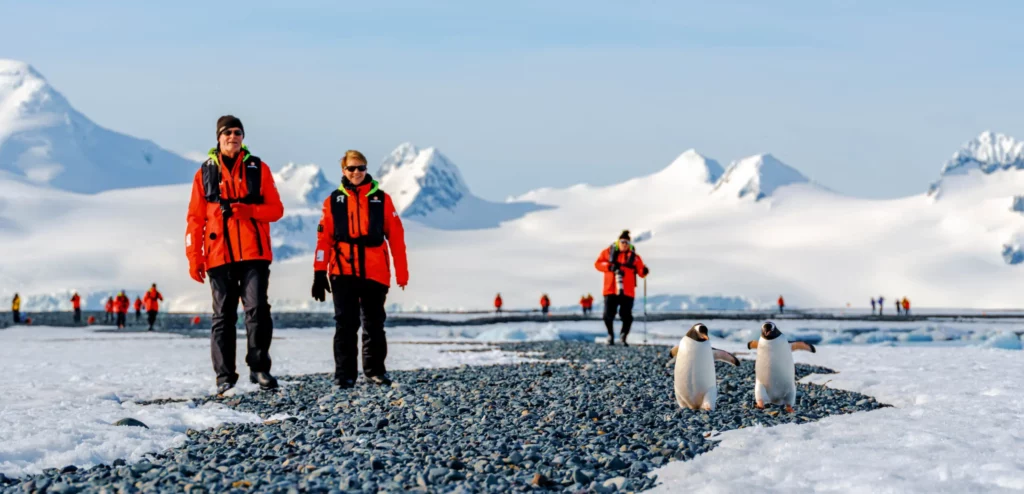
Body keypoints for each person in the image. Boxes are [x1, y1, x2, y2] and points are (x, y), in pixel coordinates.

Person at [186, 115, 284, 394]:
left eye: (237, 132)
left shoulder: (258, 168)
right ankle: (225, 376)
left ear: (243, 137)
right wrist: (194, 256)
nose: (233, 137)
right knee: (223, 317)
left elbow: (276, 210)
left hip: (254, 253)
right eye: (227, 132)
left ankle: (259, 368)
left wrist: (250, 211)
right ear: (218, 138)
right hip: (218, 255)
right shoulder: (204, 173)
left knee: (257, 310)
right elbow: (194, 219)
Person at [310, 149, 408, 389]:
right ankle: (344, 375)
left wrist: (402, 272)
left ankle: (375, 371)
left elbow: (396, 237)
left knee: (374, 323)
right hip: (342, 271)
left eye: (361, 168)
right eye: (351, 168)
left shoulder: (382, 200)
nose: (356, 172)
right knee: (345, 324)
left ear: (366, 169)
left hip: (375, 271)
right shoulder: (333, 201)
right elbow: (324, 239)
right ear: (343, 171)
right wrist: (319, 271)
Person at [594, 230, 649, 346]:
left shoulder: (635, 257)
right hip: (610, 289)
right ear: (618, 242)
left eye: (627, 242)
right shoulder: (607, 253)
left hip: (627, 291)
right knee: (608, 315)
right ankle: (610, 335)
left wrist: (644, 271)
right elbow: (598, 264)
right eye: (622, 242)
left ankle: (623, 336)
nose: (624, 244)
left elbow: (641, 272)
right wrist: (609, 267)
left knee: (626, 315)